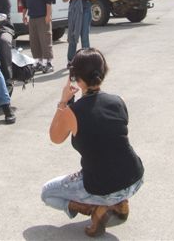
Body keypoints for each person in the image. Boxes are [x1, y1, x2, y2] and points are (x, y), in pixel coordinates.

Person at [41, 48, 144, 237]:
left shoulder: (73, 112)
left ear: (77, 79)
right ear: (103, 72)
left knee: (47, 193)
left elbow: (55, 138)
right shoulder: (119, 101)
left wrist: (63, 102)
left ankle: (97, 209)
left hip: (102, 186)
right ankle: (118, 202)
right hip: (135, 178)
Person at [63, 0, 97, 67]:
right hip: (73, 9)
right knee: (73, 34)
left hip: (85, 8)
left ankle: (86, 61)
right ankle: (71, 60)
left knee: (84, 35)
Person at [21, 0, 55, 73]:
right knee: (34, 42)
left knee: (45, 41)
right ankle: (39, 63)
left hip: (43, 17)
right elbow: (24, 3)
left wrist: (48, 15)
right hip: (32, 18)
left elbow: (49, 1)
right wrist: (24, 15)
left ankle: (48, 63)